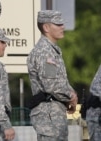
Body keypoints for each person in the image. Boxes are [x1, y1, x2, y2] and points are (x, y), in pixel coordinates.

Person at [27, 10, 78, 141]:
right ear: (46, 27)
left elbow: (60, 80)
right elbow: (52, 85)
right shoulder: (44, 52)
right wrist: (70, 96)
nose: (63, 27)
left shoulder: (52, 50)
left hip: (54, 113)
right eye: (58, 24)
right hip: (48, 115)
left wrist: (70, 93)